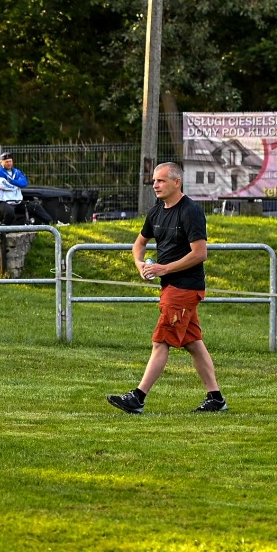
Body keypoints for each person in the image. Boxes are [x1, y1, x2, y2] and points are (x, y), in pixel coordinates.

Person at [108, 163, 228, 414]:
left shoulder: (191, 211)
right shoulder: (156, 212)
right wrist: (140, 264)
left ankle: (137, 398)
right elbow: (138, 244)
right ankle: (216, 398)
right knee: (193, 342)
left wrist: (164, 268)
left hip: (185, 288)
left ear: (177, 183)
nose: (155, 185)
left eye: (161, 181)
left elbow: (200, 254)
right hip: (170, 286)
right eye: (154, 181)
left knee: (161, 342)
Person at [0, 151, 55, 226]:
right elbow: (3, 185)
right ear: (1, 162)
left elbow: (24, 183)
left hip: (17, 202)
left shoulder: (17, 172)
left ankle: (52, 224)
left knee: (35, 207)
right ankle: (3, 230)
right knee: (10, 213)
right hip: (2, 202)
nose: (9, 163)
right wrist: (16, 184)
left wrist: (12, 182)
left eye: (10, 161)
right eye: (6, 162)